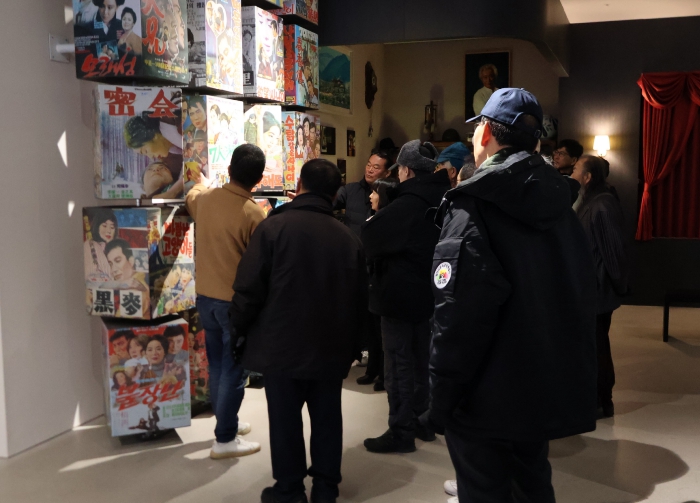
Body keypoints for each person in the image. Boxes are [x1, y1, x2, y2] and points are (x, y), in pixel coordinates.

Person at [425, 88, 597, 503]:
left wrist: (440, 399)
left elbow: (457, 316)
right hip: (538, 385)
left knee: (484, 488)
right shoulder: (561, 207)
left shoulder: (473, 206)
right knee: (532, 484)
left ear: (485, 133)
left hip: (484, 394)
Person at [230, 159, 367, 503]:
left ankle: (289, 490)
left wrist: (238, 329)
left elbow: (248, 288)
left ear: (300, 186)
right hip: (330, 345)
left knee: (285, 421)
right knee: (327, 418)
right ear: (335, 194)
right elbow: (360, 300)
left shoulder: (273, 228)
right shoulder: (348, 238)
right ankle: (325, 489)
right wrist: (354, 346)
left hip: (281, 344)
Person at [362, 140, 451, 453]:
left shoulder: (407, 203)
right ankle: (420, 420)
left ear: (406, 170)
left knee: (398, 364)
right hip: (432, 292)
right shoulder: (444, 197)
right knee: (421, 361)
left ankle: (401, 430)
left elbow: (370, 238)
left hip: (398, 295)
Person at [185, 144, 267, 459]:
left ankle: (226, 422)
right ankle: (224, 439)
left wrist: (202, 182)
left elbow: (194, 194)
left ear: (229, 170)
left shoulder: (205, 199)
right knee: (234, 371)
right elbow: (260, 265)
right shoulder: (253, 213)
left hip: (205, 298)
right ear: (259, 179)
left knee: (218, 366)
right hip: (234, 305)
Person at [572, 155, 629, 418]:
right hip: (592, 288)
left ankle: (601, 399)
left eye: (576, 169)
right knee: (594, 344)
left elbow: (613, 251)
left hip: (598, 289)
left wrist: (617, 285)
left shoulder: (602, 205)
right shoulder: (592, 202)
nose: (572, 173)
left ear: (587, 177)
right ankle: (597, 398)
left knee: (597, 346)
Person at [357, 177, 399, 392]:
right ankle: (372, 369)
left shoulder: (388, 221)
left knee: (382, 332)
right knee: (372, 330)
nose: (371, 196)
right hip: (370, 282)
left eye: (375, 193)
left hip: (382, 281)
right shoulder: (372, 217)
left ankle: (383, 373)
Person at [333, 150, 392, 237]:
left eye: (376, 167)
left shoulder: (391, 194)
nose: (370, 170)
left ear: (387, 173)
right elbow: (329, 201)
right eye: (368, 165)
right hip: (353, 242)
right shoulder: (350, 189)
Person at [84, 208, 118, 283]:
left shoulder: (111, 249)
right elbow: (90, 277)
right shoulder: (90, 245)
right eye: (104, 226)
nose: (109, 231)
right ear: (97, 226)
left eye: (112, 227)